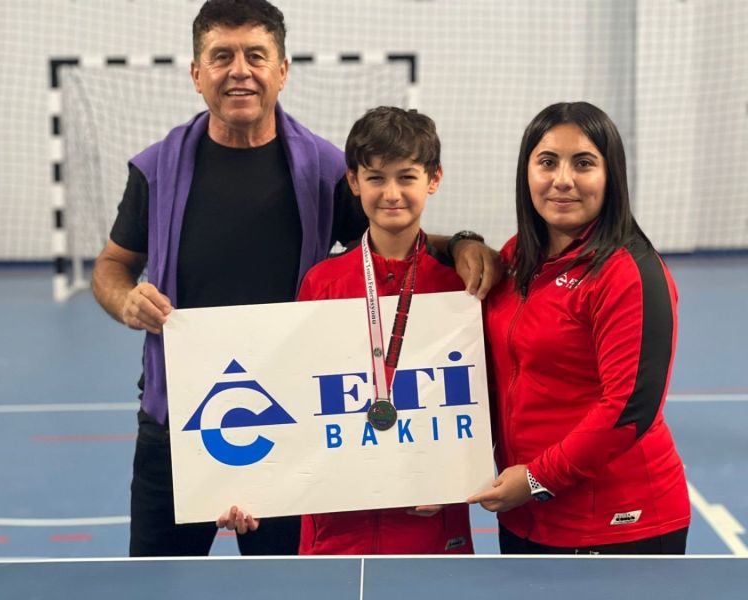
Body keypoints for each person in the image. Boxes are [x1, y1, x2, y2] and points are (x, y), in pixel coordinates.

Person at [92, 0, 498, 557]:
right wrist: (125, 301)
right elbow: (112, 265)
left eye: (256, 56)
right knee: (158, 585)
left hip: (292, 427)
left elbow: (390, 228)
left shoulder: (324, 171)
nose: (240, 70)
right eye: (221, 56)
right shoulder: (156, 168)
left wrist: (464, 243)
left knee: (283, 586)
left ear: (282, 71)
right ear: (196, 73)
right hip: (176, 423)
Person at [220, 106, 474, 555]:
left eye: (407, 177)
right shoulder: (322, 283)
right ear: (353, 181)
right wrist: (252, 488)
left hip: (432, 534)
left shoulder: (461, 286)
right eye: (376, 178)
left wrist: (453, 479)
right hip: (334, 535)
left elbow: (479, 403)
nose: (391, 193)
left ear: (434, 179)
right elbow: (295, 399)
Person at [468, 101, 691, 554]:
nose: (563, 179)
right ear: (526, 172)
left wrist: (537, 479)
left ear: (611, 177)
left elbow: (628, 409)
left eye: (584, 163)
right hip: (527, 518)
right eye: (548, 162)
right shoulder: (515, 257)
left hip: (619, 524)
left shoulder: (628, 273)